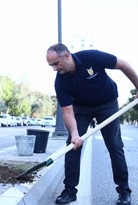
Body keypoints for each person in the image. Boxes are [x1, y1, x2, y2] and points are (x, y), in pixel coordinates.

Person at [46, 43, 138, 205]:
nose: (54, 68)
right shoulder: (61, 81)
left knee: (115, 145)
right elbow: (67, 111)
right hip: (81, 108)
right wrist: (74, 134)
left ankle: (124, 191)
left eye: (55, 63)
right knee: (72, 145)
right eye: (51, 65)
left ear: (67, 56)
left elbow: (123, 65)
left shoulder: (91, 57)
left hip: (107, 104)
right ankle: (70, 191)